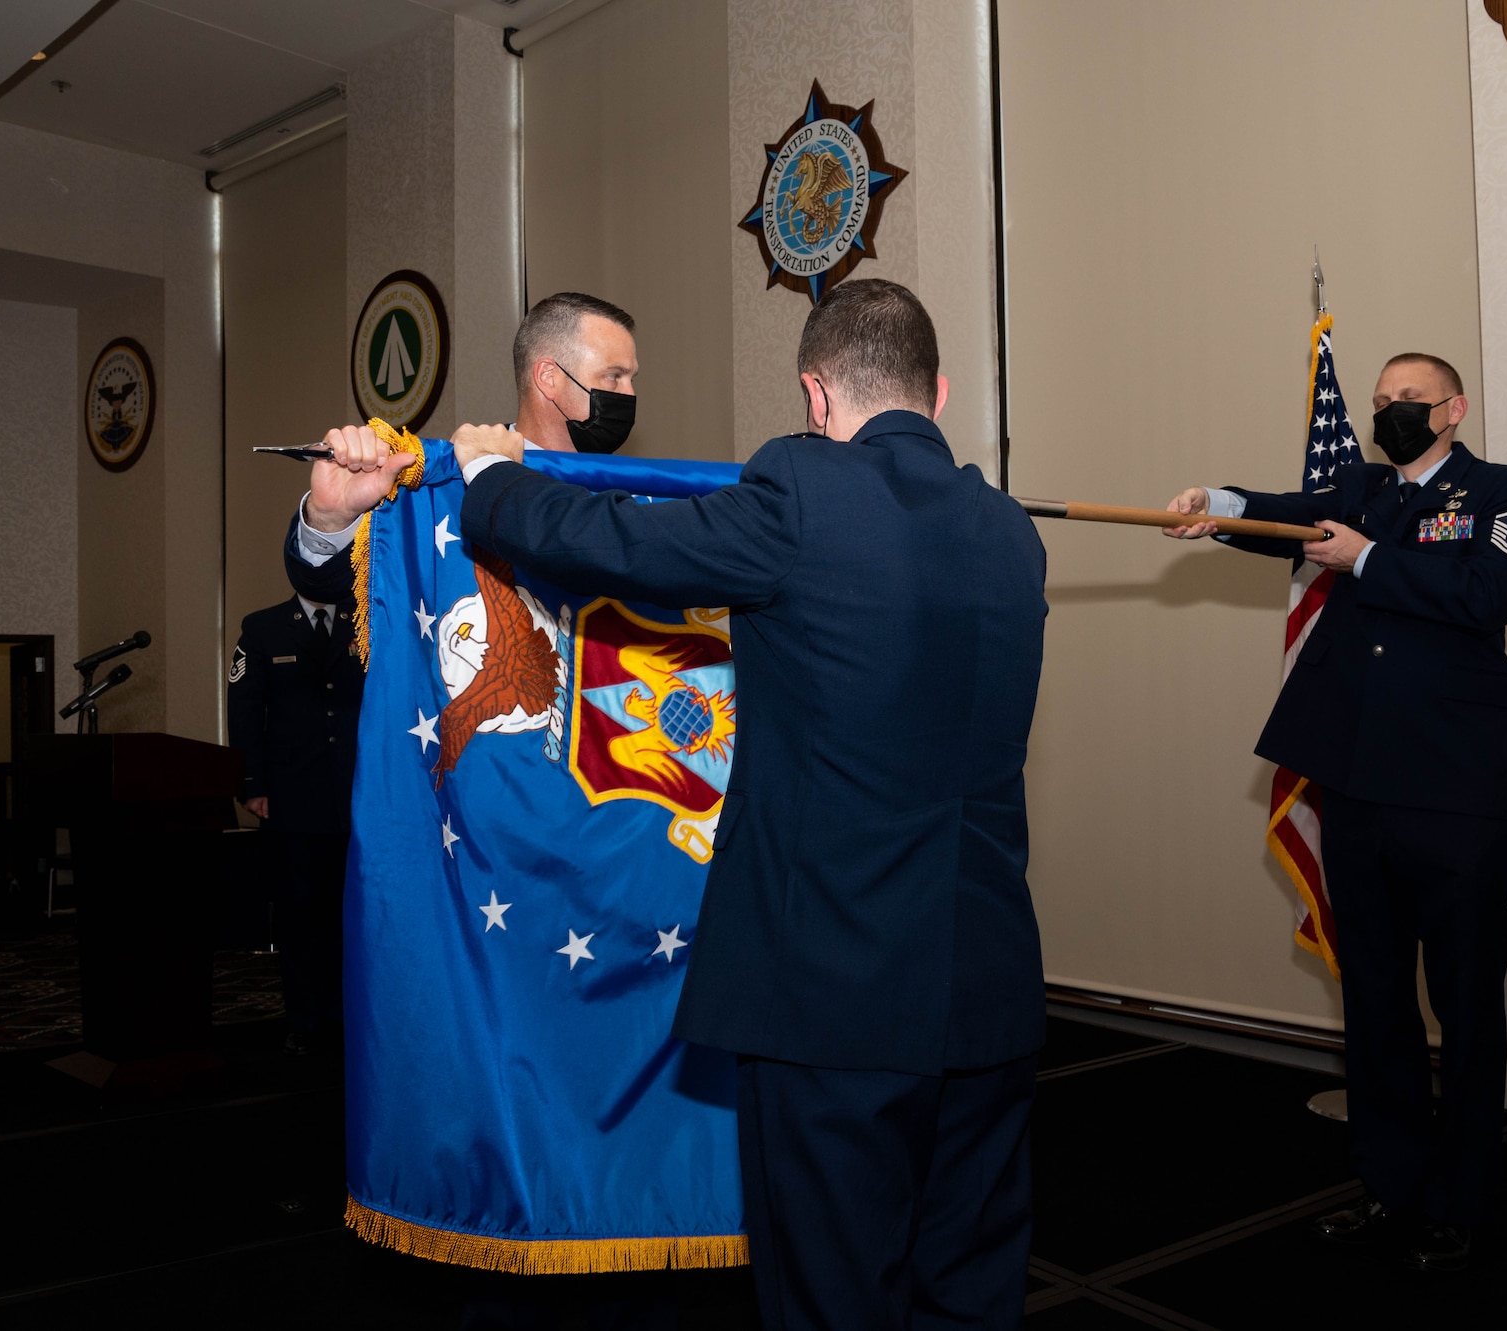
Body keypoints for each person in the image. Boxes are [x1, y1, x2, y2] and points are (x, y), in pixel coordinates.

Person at [312, 278, 1049, 1330]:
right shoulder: (1007, 532)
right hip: (988, 990)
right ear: (933, 392)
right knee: (968, 1290)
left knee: (836, 1293)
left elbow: (623, 551)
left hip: (833, 1003)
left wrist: (487, 478)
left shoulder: (799, 486)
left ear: (813, 395)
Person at [1163, 352, 1507, 1272]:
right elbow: (1283, 514)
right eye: (1379, 403)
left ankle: (1460, 1203)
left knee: (1463, 1005)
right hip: (1360, 786)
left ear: (1453, 409)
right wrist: (1215, 503)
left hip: (1457, 796)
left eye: (1408, 402)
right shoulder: (1363, 486)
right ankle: (1389, 1186)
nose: (1390, 415)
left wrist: (1369, 557)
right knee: (1374, 1003)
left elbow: (1484, 597)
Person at [285, 291, 639, 600]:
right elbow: (332, 588)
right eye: (614, 376)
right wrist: (330, 517)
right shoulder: (442, 481)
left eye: (631, 378)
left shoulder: (635, 496)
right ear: (549, 378)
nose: (629, 395)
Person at [226, 582, 364, 1054]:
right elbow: (244, 709)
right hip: (290, 797)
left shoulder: (364, 619)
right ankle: (304, 1021)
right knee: (298, 915)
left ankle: (347, 1017)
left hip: (356, 795)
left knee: (349, 915)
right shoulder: (262, 627)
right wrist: (251, 784)